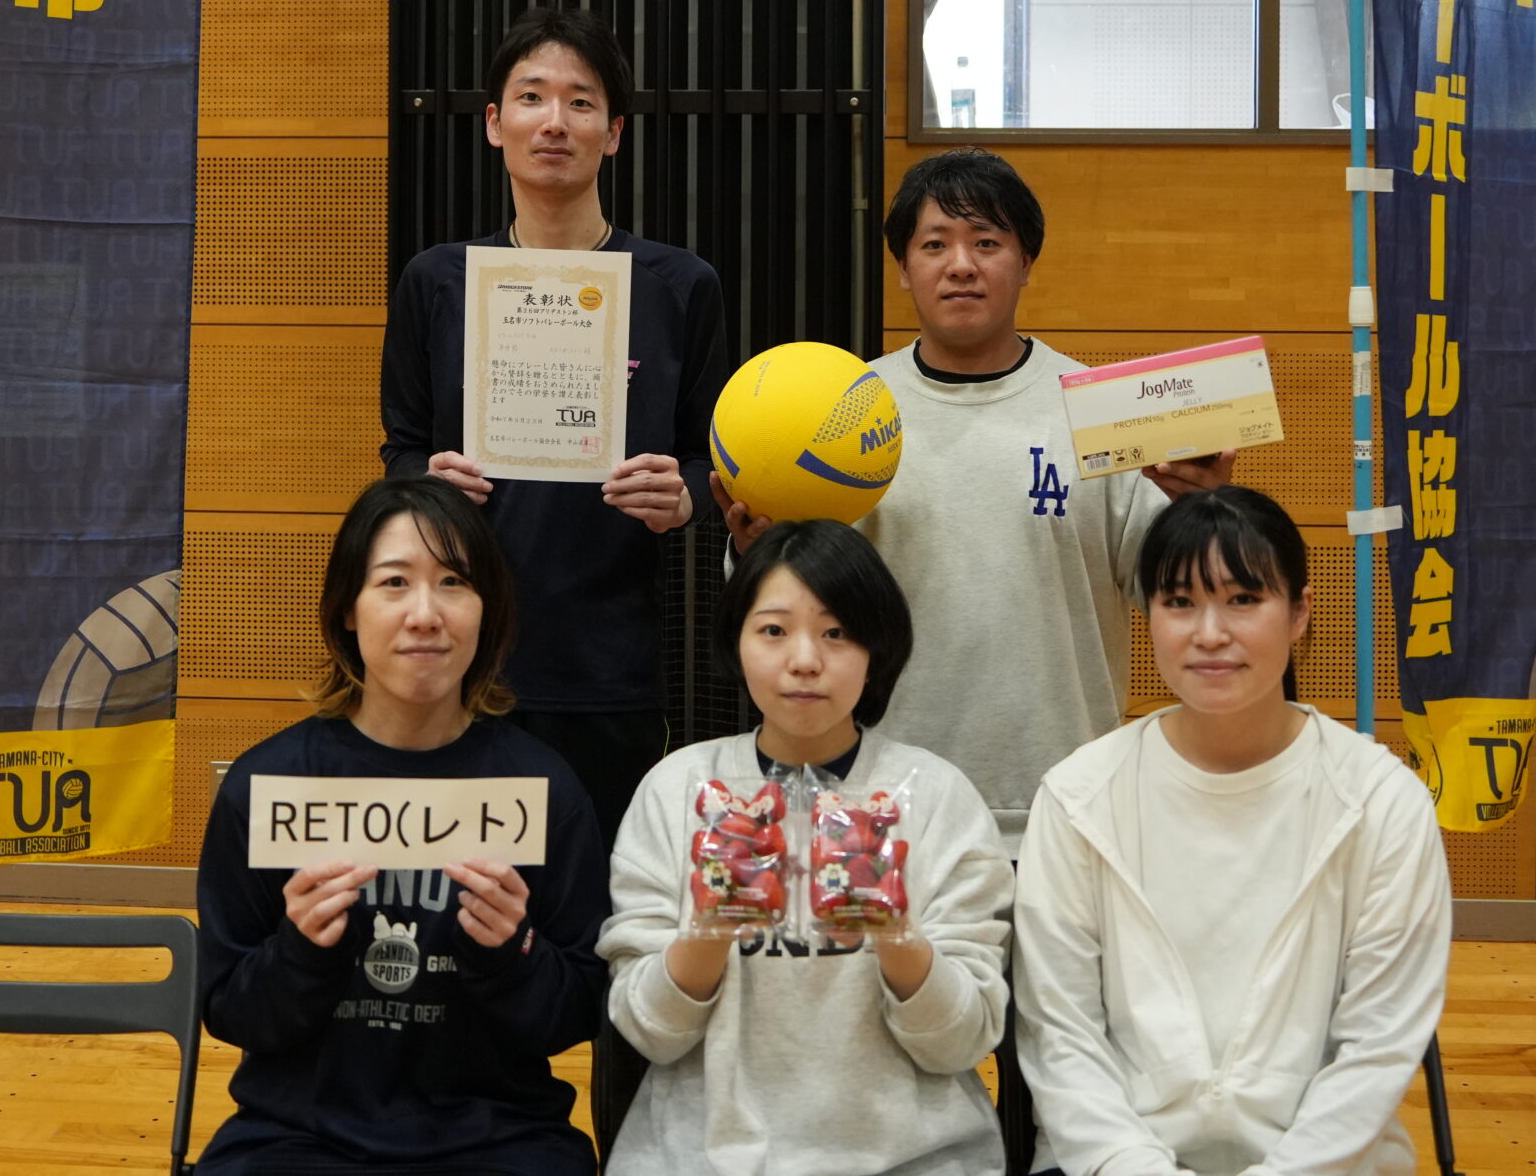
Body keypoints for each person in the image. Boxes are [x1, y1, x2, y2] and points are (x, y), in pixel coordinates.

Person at [724, 147, 1230, 856]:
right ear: (904, 268)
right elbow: (780, 613)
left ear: (1026, 262)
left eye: (986, 242)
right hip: (877, 812)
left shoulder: (1100, 414)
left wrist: (1202, 513)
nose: (960, 265)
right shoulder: (838, 416)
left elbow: (1180, 599)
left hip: (1066, 813)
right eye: (935, 245)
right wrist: (757, 552)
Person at [1014, 486, 1451, 1176]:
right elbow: (1062, 1040)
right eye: (1179, 601)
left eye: (1243, 599)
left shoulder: (1381, 801)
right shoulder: (1078, 798)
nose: (1210, 633)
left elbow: (1377, 1047)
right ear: (1148, 615)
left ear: (1300, 611)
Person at [381, 5, 729, 842]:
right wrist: (425, 482)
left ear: (614, 133)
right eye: (531, 97)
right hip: (463, 657)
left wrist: (684, 496)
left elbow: (711, 459)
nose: (554, 122)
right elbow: (401, 448)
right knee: (468, 894)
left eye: (581, 102)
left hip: (615, 667)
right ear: (494, 122)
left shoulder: (680, 286)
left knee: (602, 894)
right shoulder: (438, 281)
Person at [194, 476, 610, 1176]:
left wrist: (514, 950)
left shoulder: (543, 790)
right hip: (298, 1137)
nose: (425, 614)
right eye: (393, 582)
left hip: (499, 1137)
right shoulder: (268, 787)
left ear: (486, 609)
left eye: (453, 582)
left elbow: (577, 1012)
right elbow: (230, 1012)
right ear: (347, 609)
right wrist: (298, 951)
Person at [599, 520, 1015, 1176]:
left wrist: (895, 932)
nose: (804, 659)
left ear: (878, 647)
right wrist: (711, 924)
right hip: (696, 1160)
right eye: (773, 630)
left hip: (912, 1159)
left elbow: (962, 1041)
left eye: (837, 633)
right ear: (736, 641)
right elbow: (649, 1031)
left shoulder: (937, 797)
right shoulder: (677, 790)